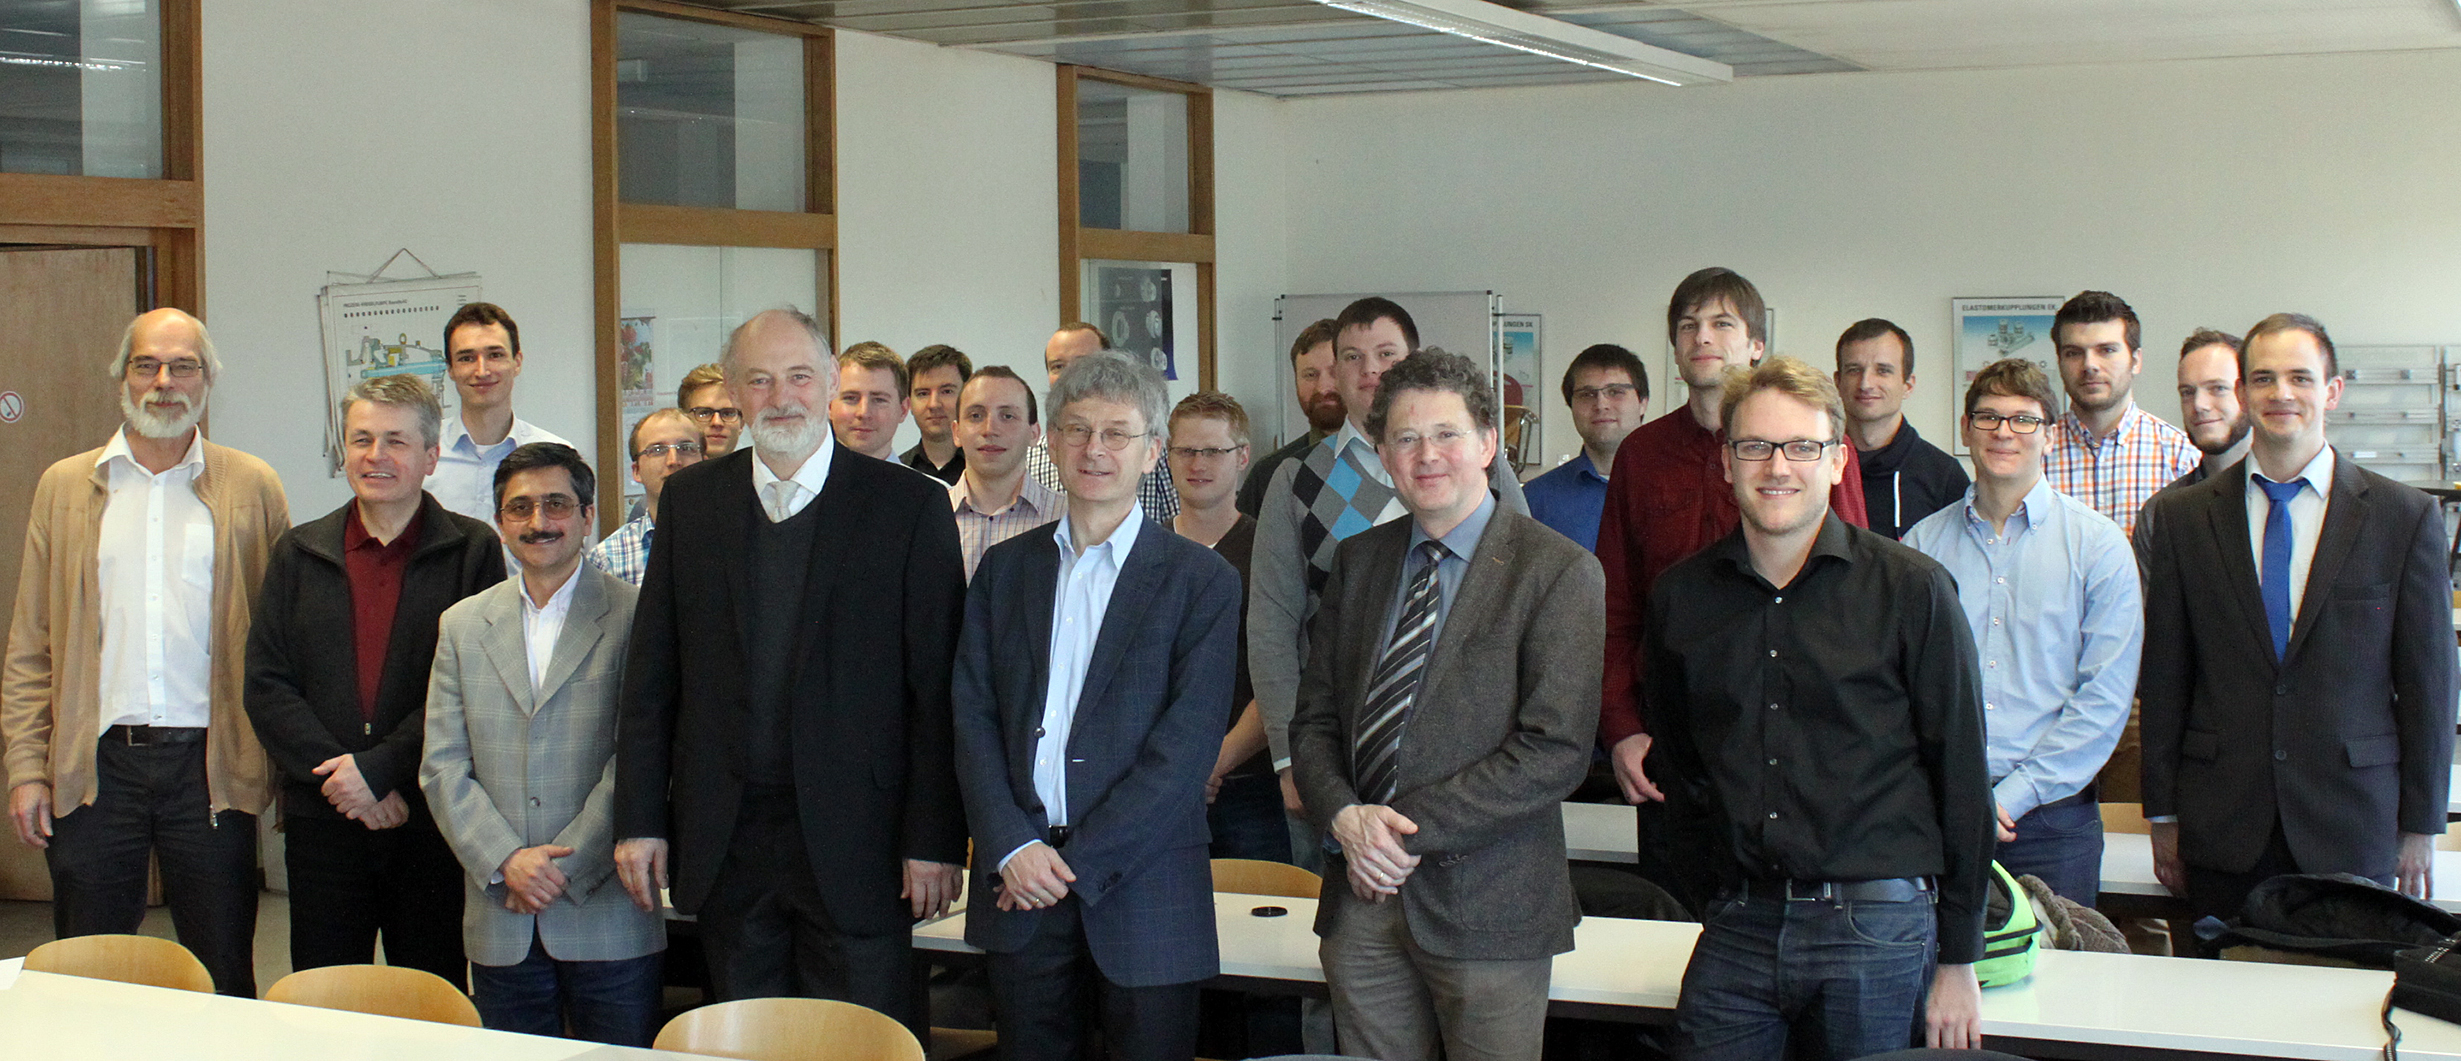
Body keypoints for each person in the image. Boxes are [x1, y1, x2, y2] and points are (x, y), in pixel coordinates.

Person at [613, 309, 967, 1030]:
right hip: (727, 836)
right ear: (735, 395)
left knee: (861, 1041)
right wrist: (641, 819)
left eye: (800, 376)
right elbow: (653, 677)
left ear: (832, 381)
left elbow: (936, 691)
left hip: (863, 842)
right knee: (747, 1038)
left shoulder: (909, 507)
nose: (782, 396)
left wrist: (931, 837)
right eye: (760, 380)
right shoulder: (691, 501)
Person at [1645, 356, 1992, 1057]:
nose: (1777, 466)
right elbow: (1681, 773)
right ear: (1726, 462)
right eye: (1755, 446)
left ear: (1837, 461)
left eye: (1801, 446)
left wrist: (1958, 956)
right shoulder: (1680, 599)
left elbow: (1959, 774)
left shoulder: (1912, 590)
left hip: (1875, 926)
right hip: (1738, 922)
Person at [1289, 350, 1601, 1061]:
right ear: (1382, 454)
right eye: (1404, 438)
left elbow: (1553, 750)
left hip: (1489, 908)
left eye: (1447, 434)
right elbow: (1314, 721)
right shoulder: (1359, 561)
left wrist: (1394, 834)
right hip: (1360, 903)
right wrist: (1342, 815)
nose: (1426, 455)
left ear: (1489, 444)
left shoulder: (1556, 570)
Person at [952, 352, 1241, 1061]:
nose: (1095, 449)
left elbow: (1185, 748)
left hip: (1144, 890)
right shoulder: (1004, 570)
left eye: (1117, 433)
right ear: (1049, 443)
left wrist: (1073, 863)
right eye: (1077, 430)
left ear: (1152, 454)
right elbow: (971, 714)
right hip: (1017, 886)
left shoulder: (1200, 580)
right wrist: (1012, 847)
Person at [4, 308, 290, 997]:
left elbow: (282, 643)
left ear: (208, 379)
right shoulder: (66, 486)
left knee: (224, 969)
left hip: (212, 769)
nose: (165, 381)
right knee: (86, 973)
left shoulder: (253, 486)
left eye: (183, 364)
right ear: (123, 378)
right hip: (96, 767)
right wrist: (24, 766)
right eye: (147, 364)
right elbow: (31, 644)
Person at [2139, 313, 2456, 922]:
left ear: (2332, 392)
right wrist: (2162, 815)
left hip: (2354, 824)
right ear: (2243, 392)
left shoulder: (2403, 518)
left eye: (2300, 378)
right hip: (2221, 825)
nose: (2281, 394)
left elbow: (2429, 688)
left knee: (2341, 1011)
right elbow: (2167, 677)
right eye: (2263, 378)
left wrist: (2422, 824)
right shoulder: (2183, 520)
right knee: (2214, 1007)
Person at [1594, 267, 1868, 906]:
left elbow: (1855, 593)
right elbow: (1614, 606)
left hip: (1803, 747)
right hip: (1676, 749)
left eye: (1722, 323)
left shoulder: (1811, 451)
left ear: (1756, 345)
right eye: (1687, 325)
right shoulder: (1641, 455)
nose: (1702, 337)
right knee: (1680, 944)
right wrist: (1622, 726)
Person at [1250, 297, 1530, 873]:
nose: (1369, 370)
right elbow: (1272, 625)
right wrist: (1287, 757)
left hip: (1469, 752)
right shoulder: (1295, 480)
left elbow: (1524, 586)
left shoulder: (1482, 466)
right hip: (1339, 762)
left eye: (1386, 354)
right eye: (1351, 356)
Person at [245, 373, 499, 986]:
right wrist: (345, 776)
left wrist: (381, 769)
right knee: (326, 997)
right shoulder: (299, 552)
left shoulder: (472, 550)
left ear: (431, 456)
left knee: (431, 994)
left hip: (429, 818)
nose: (375, 456)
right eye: (361, 439)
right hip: (323, 818)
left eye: (396, 441)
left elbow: (475, 687)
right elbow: (266, 683)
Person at [421, 443, 665, 1045]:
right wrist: (506, 861)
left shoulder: (640, 615)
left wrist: (564, 866)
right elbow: (442, 764)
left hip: (606, 906)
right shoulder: (461, 624)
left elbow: (641, 754)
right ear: (499, 521)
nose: (538, 522)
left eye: (556, 504)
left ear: (587, 516)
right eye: (520, 507)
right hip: (502, 908)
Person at [1903, 358, 2140, 904]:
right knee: (1938, 981)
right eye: (1987, 417)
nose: (2003, 431)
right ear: (1965, 431)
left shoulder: (2099, 548)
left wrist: (2013, 795)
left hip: (2053, 823)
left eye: (2023, 419)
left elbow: (2103, 699)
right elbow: (1903, 688)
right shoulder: (1920, 548)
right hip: (1940, 811)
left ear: (2051, 436)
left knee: (2061, 983)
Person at [1164, 392, 1280, 862]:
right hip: (1157, 786)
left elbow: (1280, 671)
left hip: (1250, 786)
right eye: (1186, 450)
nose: (1199, 463)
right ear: (1164, 456)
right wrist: (1177, 767)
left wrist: (1217, 760)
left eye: (1214, 451)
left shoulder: (1271, 553)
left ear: (1243, 458)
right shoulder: (1140, 553)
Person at [2040, 290, 2199, 538]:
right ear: (2059, 361)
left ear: (2136, 360)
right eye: (2074, 353)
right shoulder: (2034, 454)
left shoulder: (2182, 457)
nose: (2089, 365)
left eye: (2106, 350)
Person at [430, 302, 575, 524]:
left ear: (517, 363)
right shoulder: (422, 455)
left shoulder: (556, 457)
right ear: (450, 369)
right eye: (466, 358)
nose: (482, 371)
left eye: (495, 355)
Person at [1026, 323, 1179, 520]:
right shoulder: (1029, 459)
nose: (1093, 450)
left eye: (1116, 434)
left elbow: (1179, 521)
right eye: (1058, 366)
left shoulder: (1151, 450)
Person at [1836, 318, 1967, 539]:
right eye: (1854, 370)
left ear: (1908, 385)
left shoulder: (1944, 476)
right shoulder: (1815, 464)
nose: (1866, 383)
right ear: (1837, 382)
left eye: (1883, 370)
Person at [1522, 343, 1650, 551]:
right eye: (1587, 394)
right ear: (1571, 406)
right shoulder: (1535, 499)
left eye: (1615, 392)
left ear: (1642, 402)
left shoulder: (1676, 487)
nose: (1601, 404)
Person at [950, 366, 1062, 581]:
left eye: (1008, 416)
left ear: (1034, 433)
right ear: (956, 432)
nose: (990, 429)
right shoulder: (929, 519)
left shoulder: (1066, 519)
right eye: (975, 415)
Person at [1236, 319, 1343, 518]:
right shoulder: (1270, 474)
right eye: (1310, 375)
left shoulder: (1390, 464)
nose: (1323, 387)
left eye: (1334, 372)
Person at [588, 408, 705, 587]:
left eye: (686, 448)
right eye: (657, 450)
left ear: (705, 462)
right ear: (636, 471)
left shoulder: (739, 540)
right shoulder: (608, 559)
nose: (673, 461)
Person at [903, 344, 973, 484]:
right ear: (909, 403)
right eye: (923, 394)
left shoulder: (987, 469)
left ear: (967, 396)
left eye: (946, 391)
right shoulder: (898, 471)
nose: (934, 404)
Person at [831, 341, 911, 462]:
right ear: (829, 405)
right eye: (851, 398)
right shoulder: (798, 481)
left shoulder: (925, 482)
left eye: (879, 400)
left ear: (903, 410)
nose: (863, 413)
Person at [680, 363, 742, 457]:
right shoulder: (669, 469)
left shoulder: (758, 471)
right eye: (704, 413)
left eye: (728, 413)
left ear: (742, 423)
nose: (717, 422)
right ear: (683, 421)